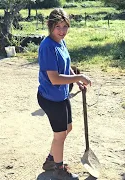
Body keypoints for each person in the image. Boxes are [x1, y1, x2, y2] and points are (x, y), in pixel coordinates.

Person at [37, 8, 91, 180]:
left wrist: (76, 82)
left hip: (61, 95)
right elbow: (54, 78)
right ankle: (59, 170)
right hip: (50, 98)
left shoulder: (61, 42)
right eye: (58, 27)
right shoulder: (47, 47)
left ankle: (51, 160)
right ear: (50, 26)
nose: (62, 31)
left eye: (65, 26)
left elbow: (66, 67)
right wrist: (80, 76)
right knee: (59, 135)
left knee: (68, 128)